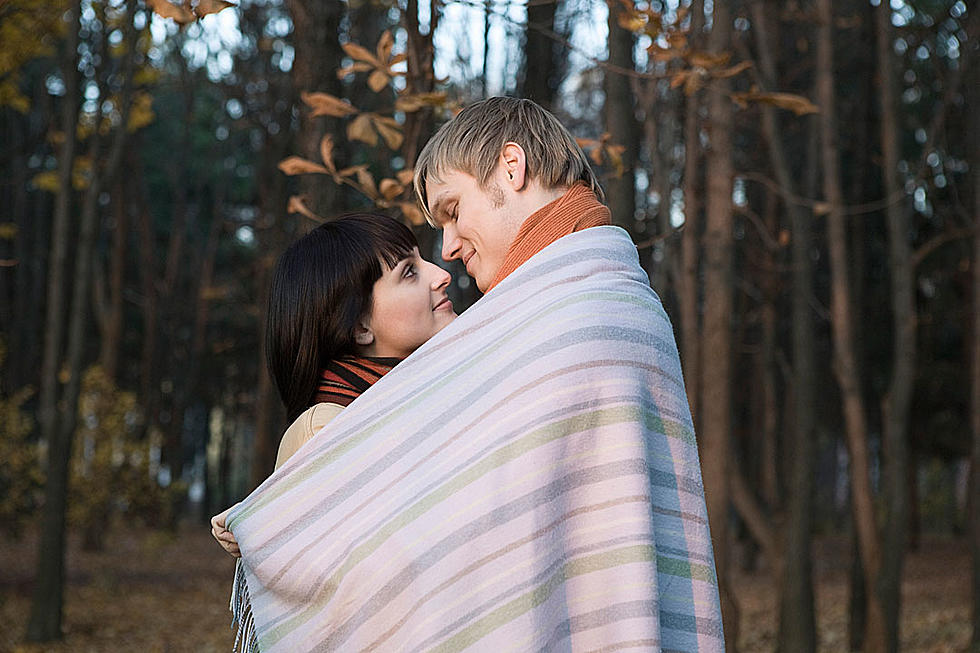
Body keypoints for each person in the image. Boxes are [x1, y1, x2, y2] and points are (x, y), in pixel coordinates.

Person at [220, 97, 724, 652]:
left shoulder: (574, 315)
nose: (450, 251)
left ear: (512, 168)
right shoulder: (585, 303)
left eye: (454, 210)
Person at [211, 212, 455, 557]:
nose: (442, 275)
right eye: (409, 272)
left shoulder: (418, 404)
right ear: (360, 327)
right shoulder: (326, 430)